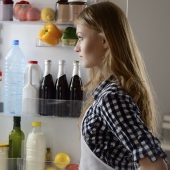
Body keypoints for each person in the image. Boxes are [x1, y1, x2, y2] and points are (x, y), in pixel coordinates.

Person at [74, 2, 168, 170]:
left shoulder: (112, 98)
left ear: (104, 40)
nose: (76, 47)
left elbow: (156, 167)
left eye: (80, 37)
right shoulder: (107, 93)